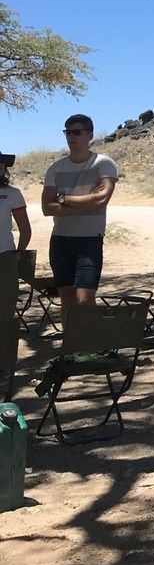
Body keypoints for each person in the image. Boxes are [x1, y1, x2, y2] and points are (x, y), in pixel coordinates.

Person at [40, 114, 119, 316]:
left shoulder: (103, 164)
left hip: (89, 241)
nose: (71, 137)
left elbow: (101, 199)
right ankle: (69, 337)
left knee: (85, 299)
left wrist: (62, 198)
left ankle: (90, 337)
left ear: (89, 135)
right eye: (67, 132)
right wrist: (86, 204)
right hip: (61, 241)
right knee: (66, 299)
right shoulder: (56, 169)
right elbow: (47, 208)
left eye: (76, 132)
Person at [0, 152, 32, 401]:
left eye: (0, 163)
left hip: (4, 259)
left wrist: (18, 253)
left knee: (4, 317)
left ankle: (3, 370)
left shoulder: (12, 194)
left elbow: (25, 229)